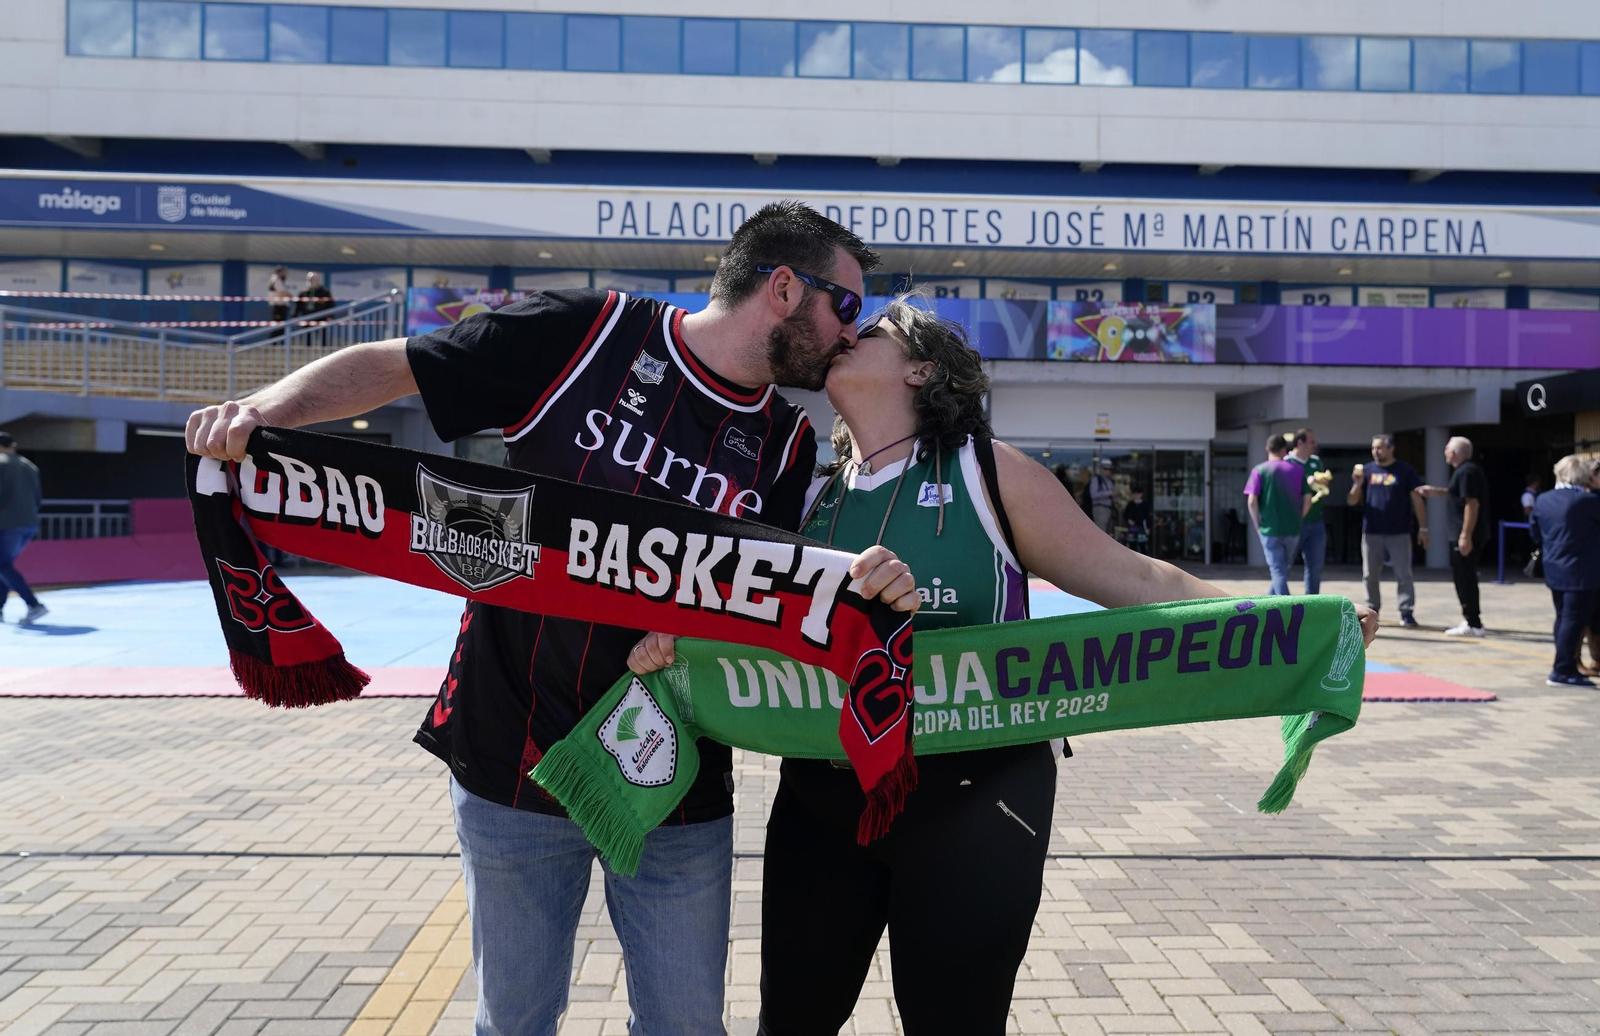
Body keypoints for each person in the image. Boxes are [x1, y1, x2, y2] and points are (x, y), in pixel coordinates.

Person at [187, 202, 924, 1036]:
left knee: (687, 1027)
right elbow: (393, 369)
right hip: (512, 754)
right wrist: (263, 415)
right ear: (785, 287)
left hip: (673, 781)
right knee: (516, 1021)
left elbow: (776, 611)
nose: (848, 335)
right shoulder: (587, 335)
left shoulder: (791, 451)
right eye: (847, 307)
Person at [625, 298, 1376, 1035]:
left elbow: (1138, 582)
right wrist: (676, 642)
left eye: (875, 329)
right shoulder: (811, 492)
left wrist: (1290, 628)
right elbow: (750, 623)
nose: (847, 334)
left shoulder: (989, 474)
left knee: (955, 1023)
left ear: (921, 370)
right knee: (792, 1020)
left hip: (977, 795)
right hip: (823, 793)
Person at [1529, 454, 1600, 688]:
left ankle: (1564, 666)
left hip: (1554, 568)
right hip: (1582, 571)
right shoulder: (1588, 502)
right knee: (1572, 620)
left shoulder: (1543, 500)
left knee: (1563, 618)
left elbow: (1535, 534)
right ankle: (1561, 670)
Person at [1348, 434, 1426, 627]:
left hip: (1399, 531)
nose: (1375, 451)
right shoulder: (1366, 470)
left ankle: (1406, 611)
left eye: (1379, 448)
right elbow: (1351, 501)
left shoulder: (1405, 470)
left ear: (1391, 449)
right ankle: (1372, 609)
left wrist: (1423, 527)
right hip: (1372, 531)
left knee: (1403, 573)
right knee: (1370, 574)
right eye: (1373, 448)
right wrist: (1357, 484)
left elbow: (1417, 499)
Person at [1415, 436, 1489, 637]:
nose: (1444, 451)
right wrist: (1436, 492)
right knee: (1462, 576)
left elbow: (1472, 504)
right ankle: (1470, 619)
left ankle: (1473, 623)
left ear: (1454, 453)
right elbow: (1457, 494)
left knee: (1465, 578)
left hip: (1466, 534)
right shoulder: (1465, 471)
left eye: (1446, 448)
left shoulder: (1467, 471)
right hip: (1464, 533)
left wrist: (1465, 535)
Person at [1244, 433, 1309, 596]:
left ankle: (1286, 611)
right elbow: (1308, 498)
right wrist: (1300, 518)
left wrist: (1258, 525)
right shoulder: (1298, 470)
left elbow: (1252, 501)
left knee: (1278, 572)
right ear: (1284, 450)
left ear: (1267, 449)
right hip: (1293, 528)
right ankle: (1268, 603)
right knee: (1281, 571)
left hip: (1270, 529)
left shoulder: (1260, 470)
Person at [0, 432, 46, 625]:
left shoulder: (1, 464)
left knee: (2, 565)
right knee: (4, 565)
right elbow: (38, 497)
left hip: (7, 523)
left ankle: (34, 604)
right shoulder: (29, 465)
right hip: (29, 523)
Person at [1287, 428, 1327, 593]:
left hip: (1316, 522)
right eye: (1311, 441)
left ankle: (1312, 607)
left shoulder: (1315, 462)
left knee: (1315, 567)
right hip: (1294, 523)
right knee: (1283, 568)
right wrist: (1307, 483)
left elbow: (1323, 488)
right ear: (1300, 442)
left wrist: (1323, 483)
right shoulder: (1287, 463)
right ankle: (1273, 606)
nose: (1314, 445)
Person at [1088, 457, 1116, 533]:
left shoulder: (1110, 480)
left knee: (1109, 532)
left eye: (1109, 469)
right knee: (1101, 531)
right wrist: (1107, 493)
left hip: (1109, 508)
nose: (1108, 471)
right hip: (1100, 508)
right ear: (1101, 469)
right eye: (1105, 469)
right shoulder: (1096, 479)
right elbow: (1093, 494)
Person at [1122, 486, 1152, 554]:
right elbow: (1125, 515)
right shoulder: (1130, 504)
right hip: (1133, 527)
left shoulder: (1144, 505)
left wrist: (1148, 528)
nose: (1136, 495)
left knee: (1142, 545)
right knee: (1132, 544)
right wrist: (1128, 520)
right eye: (1134, 494)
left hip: (1142, 527)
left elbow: (1148, 517)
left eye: (1138, 493)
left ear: (1141, 494)